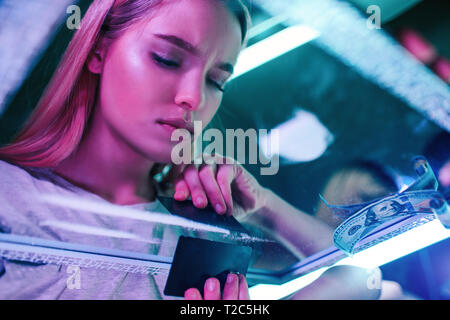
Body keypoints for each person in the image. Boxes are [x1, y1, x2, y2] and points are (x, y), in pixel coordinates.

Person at [0, 0, 377, 300]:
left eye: (216, 81)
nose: (193, 98)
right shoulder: (11, 198)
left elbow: (365, 278)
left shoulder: (199, 231)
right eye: (166, 59)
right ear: (98, 49)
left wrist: (265, 208)